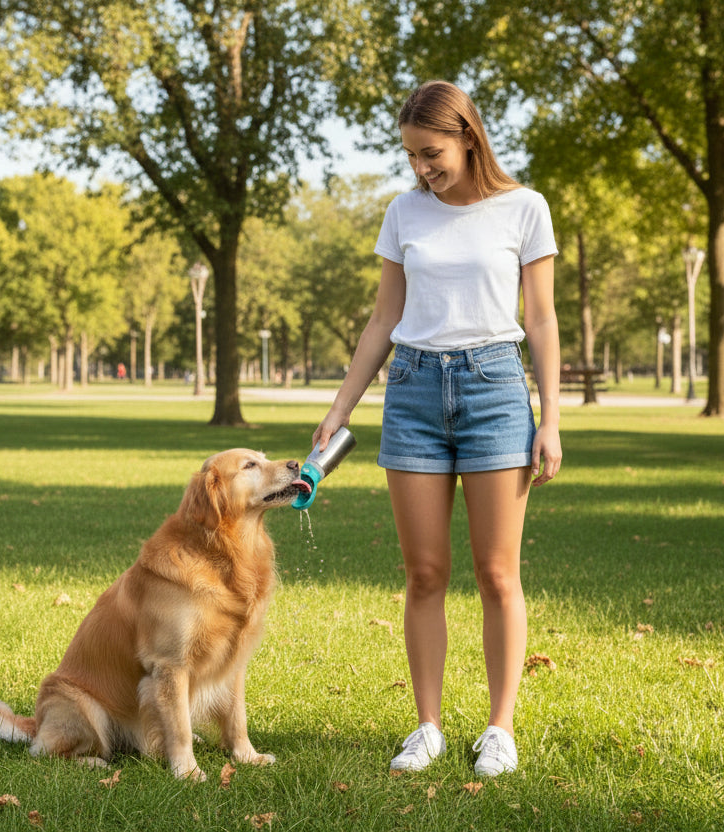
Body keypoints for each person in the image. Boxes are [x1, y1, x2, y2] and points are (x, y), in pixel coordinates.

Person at [311, 80, 561, 778]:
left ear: (467, 137)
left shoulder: (525, 208)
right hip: (414, 393)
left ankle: (499, 730)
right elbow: (383, 318)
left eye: (432, 153)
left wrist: (551, 418)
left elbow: (541, 319)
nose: (422, 168)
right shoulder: (404, 212)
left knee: (497, 573)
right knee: (424, 573)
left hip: (495, 390)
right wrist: (341, 408)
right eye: (412, 157)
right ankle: (427, 727)